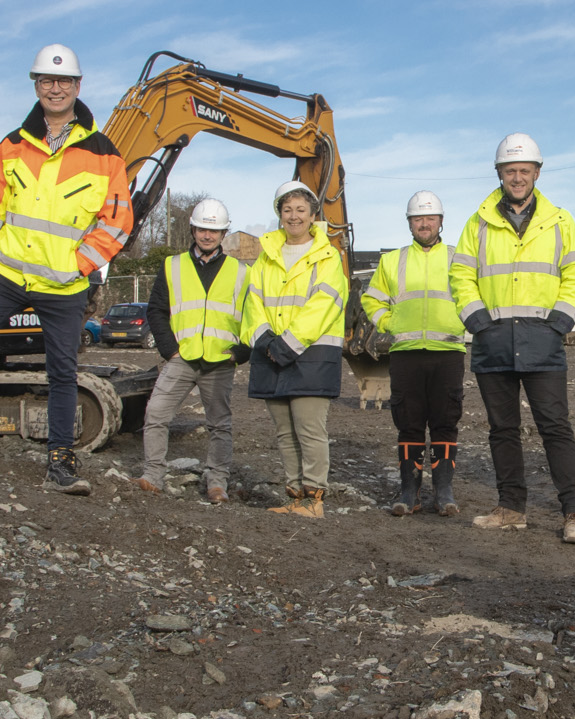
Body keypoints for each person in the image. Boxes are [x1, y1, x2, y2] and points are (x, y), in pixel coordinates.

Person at [0, 43, 131, 491]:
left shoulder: (105, 154)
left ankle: (60, 459)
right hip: (6, 276)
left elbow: (118, 221)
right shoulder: (12, 147)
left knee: (61, 371)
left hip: (62, 286)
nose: (55, 89)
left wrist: (80, 264)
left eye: (63, 82)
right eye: (46, 81)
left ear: (78, 87)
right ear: (36, 86)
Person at [448, 133, 575, 545]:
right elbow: (461, 274)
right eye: (510, 171)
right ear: (499, 173)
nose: (517, 178)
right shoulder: (477, 223)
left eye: (524, 171)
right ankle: (511, 508)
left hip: (542, 340)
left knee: (555, 427)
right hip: (493, 340)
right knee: (502, 428)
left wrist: (559, 323)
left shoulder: (560, 220)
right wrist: (477, 321)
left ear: (537, 173)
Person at [242, 181, 347, 519]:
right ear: (279, 214)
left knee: (309, 429)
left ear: (313, 215)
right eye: (287, 210)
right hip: (273, 354)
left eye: (301, 210)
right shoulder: (265, 257)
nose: (294, 216)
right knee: (285, 431)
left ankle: (313, 499)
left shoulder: (328, 258)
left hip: (311, 357)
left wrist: (285, 344)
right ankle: (294, 495)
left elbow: (324, 304)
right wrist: (265, 341)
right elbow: (252, 303)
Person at [361, 190, 467, 516]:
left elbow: (473, 295)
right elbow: (371, 300)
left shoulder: (457, 257)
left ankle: (444, 491)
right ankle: (409, 490)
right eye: (418, 218)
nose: (424, 224)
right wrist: (391, 323)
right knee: (408, 423)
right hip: (406, 352)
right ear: (409, 223)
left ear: (441, 221)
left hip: (447, 350)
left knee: (445, 423)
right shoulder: (393, 260)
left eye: (429, 218)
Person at [138, 197, 244, 504]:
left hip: (220, 360)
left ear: (224, 234)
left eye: (214, 231)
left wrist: (242, 352)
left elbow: (253, 316)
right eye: (202, 229)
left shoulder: (241, 272)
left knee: (219, 424)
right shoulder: (172, 266)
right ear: (193, 230)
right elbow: (156, 310)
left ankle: (217, 482)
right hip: (181, 357)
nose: (207, 236)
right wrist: (169, 350)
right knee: (156, 413)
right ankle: (153, 475)